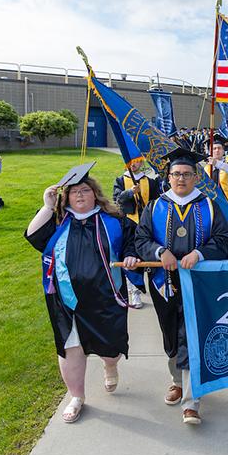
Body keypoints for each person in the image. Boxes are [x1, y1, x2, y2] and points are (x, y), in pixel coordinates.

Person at [24, 163, 140, 423]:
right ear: (66, 197)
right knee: (70, 347)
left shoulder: (114, 221)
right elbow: (32, 236)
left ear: (95, 194)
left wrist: (131, 256)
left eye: (84, 190)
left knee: (111, 348)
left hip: (106, 296)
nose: (79, 195)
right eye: (74, 192)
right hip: (67, 299)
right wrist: (46, 205)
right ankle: (76, 396)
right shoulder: (57, 222)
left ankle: (110, 366)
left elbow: (133, 243)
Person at [135, 148, 228, 425]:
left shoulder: (209, 205)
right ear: (168, 176)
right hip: (162, 281)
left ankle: (192, 401)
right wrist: (158, 252)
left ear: (196, 176)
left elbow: (224, 240)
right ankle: (176, 380)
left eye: (187, 174)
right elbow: (140, 239)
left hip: (198, 283)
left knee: (192, 334)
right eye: (176, 174)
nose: (181, 179)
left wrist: (199, 254)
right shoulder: (155, 205)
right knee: (169, 333)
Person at [113, 159, 163, 309]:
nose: (133, 165)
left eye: (136, 162)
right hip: (129, 224)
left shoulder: (150, 181)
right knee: (131, 257)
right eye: (130, 163)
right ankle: (134, 291)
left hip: (148, 225)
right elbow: (117, 199)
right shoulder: (121, 180)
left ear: (141, 163)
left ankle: (156, 288)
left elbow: (157, 201)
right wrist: (130, 193)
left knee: (149, 256)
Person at [204, 136, 228, 205]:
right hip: (212, 202)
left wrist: (216, 163)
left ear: (223, 150)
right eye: (214, 149)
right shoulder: (206, 168)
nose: (217, 150)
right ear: (210, 151)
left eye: (219, 148)